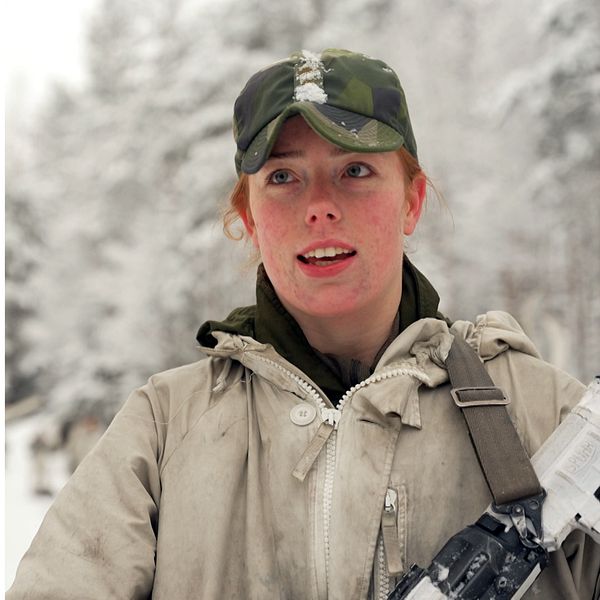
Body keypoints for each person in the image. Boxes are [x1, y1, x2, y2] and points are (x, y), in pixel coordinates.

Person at [8, 48, 599, 600]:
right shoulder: (163, 429)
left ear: (411, 201)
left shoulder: (547, 417)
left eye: (357, 170)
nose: (320, 205)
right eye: (283, 177)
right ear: (250, 217)